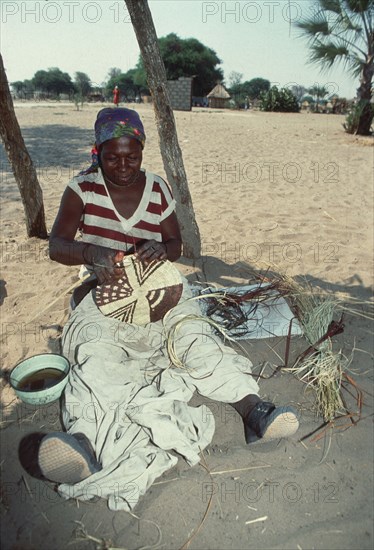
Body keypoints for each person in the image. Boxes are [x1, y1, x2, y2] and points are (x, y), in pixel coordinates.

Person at [36, 108, 299, 511]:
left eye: (132, 156)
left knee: (195, 336)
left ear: (142, 150)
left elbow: (176, 245)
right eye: (112, 157)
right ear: (98, 151)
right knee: (92, 352)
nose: (123, 166)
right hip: (104, 292)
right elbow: (57, 246)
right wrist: (89, 251)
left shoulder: (157, 188)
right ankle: (84, 443)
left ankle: (253, 410)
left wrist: (162, 249)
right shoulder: (82, 188)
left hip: (162, 288)